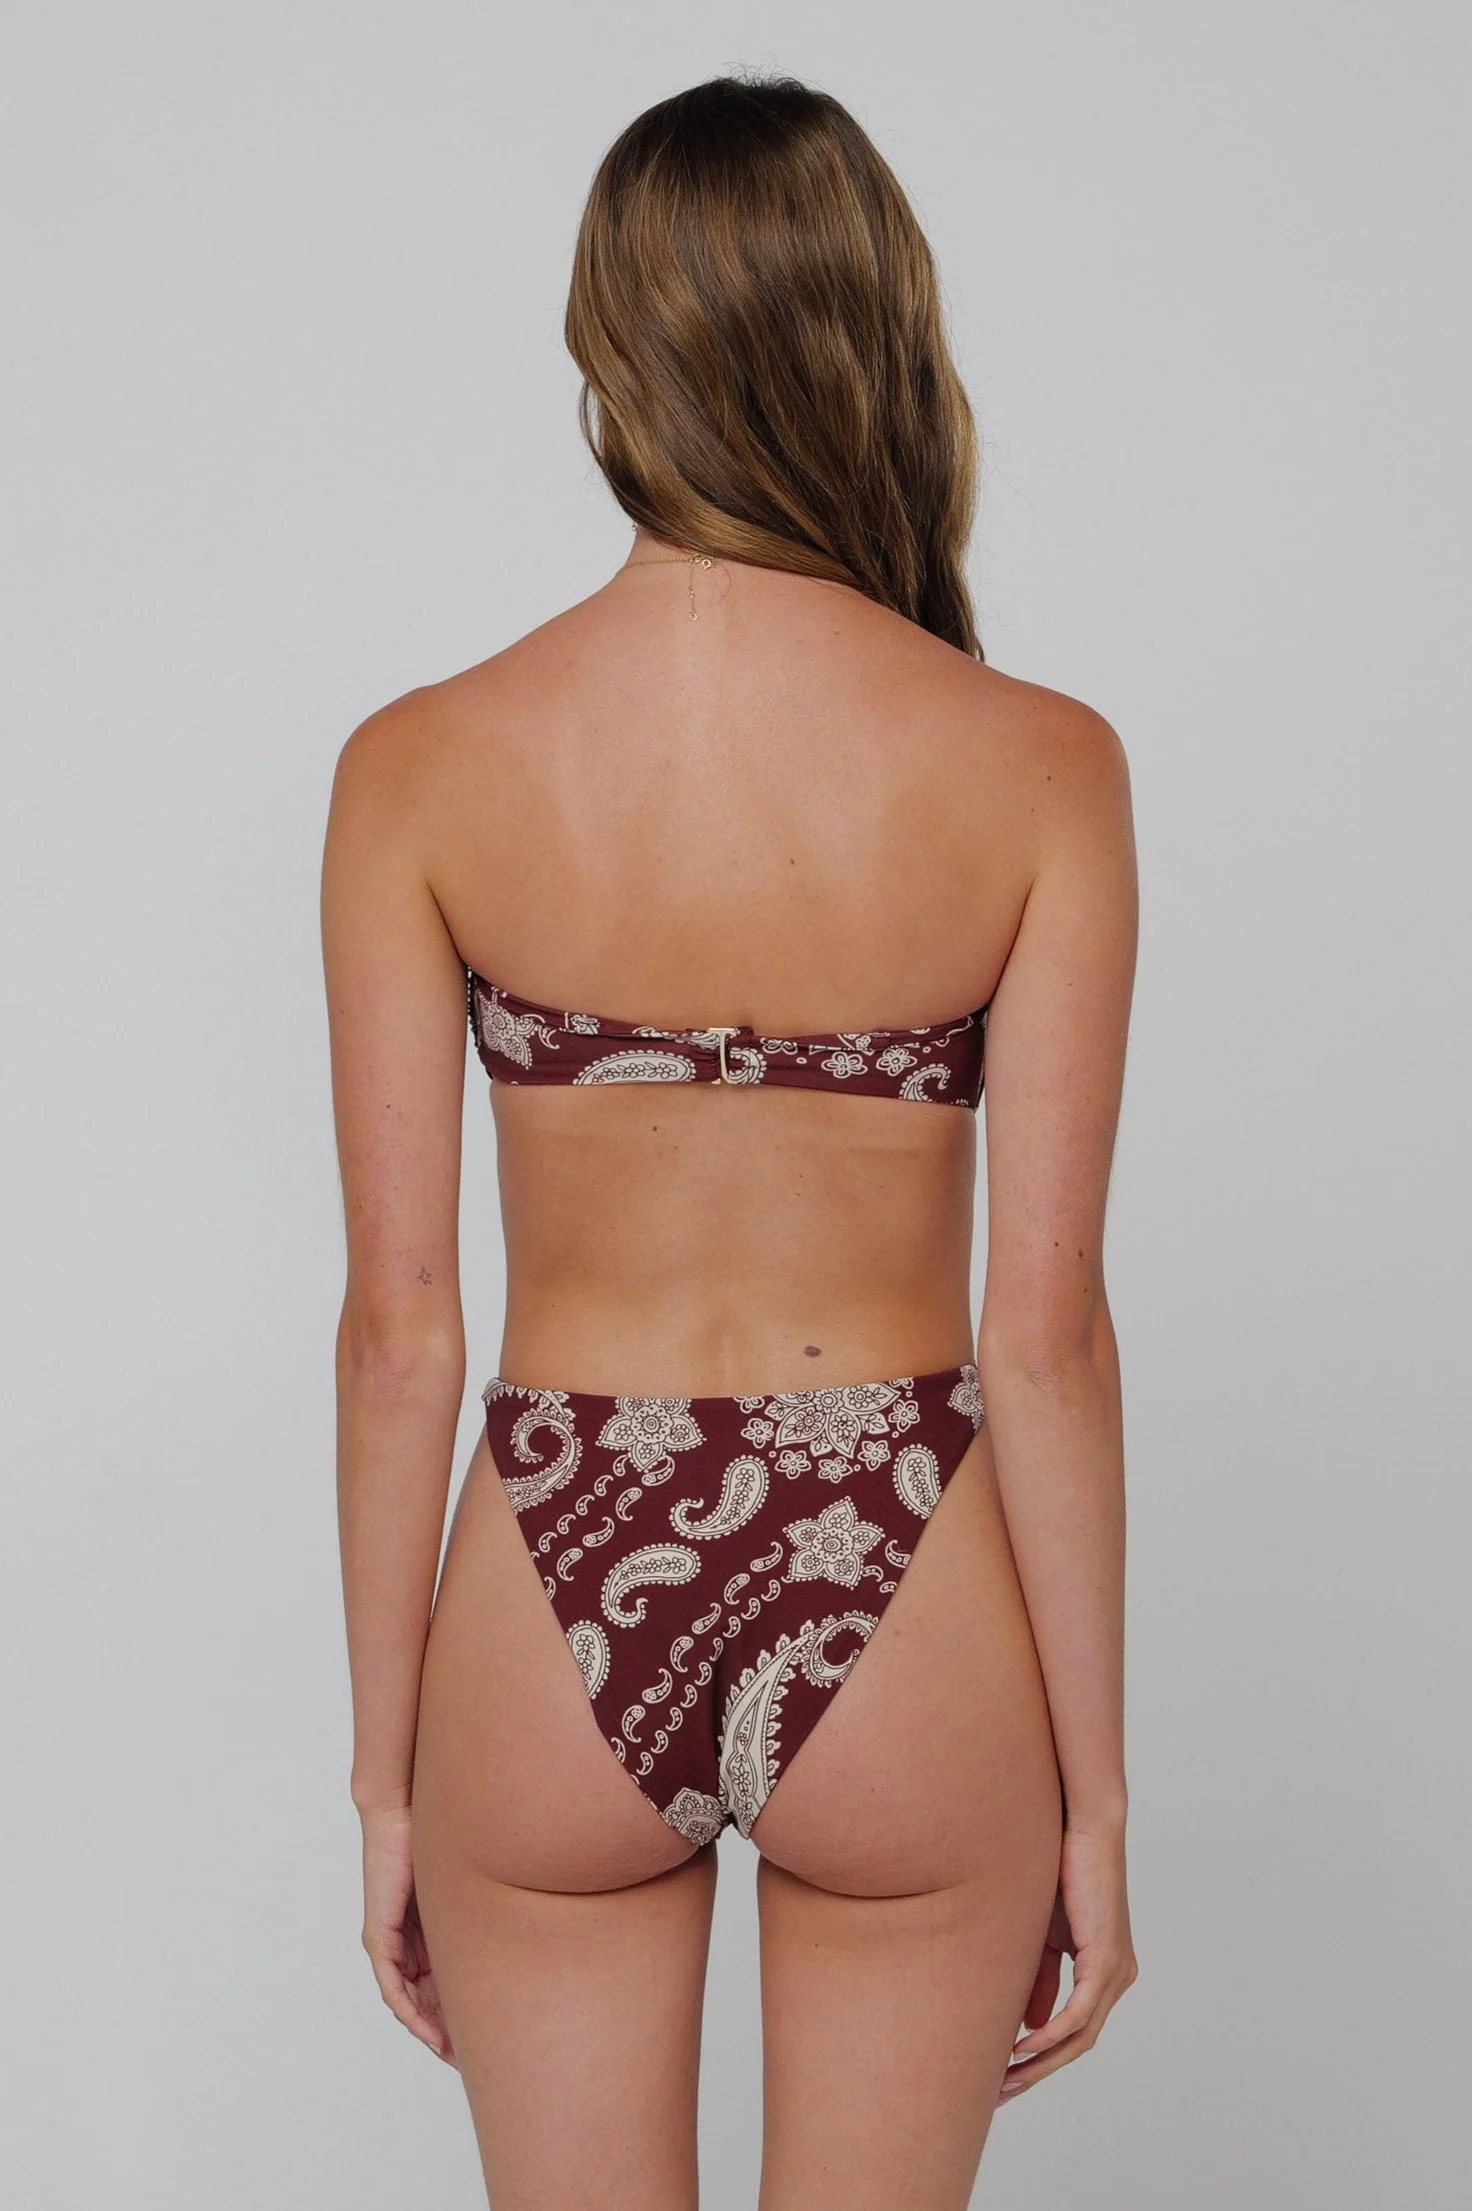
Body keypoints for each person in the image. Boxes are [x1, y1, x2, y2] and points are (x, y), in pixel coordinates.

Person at [322, 73, 1138, 2211]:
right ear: (878, 335)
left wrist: (387, 1783)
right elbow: (1044, 1335)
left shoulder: (420, 766)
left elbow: (401, 1332)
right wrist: (1097, 1798)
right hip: (905, 1548)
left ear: (609, 345)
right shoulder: (1039, 765)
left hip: (552, 1553)